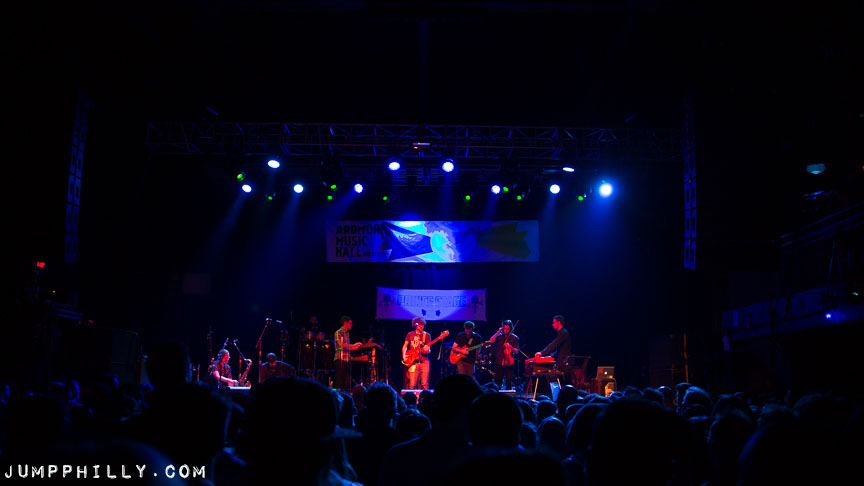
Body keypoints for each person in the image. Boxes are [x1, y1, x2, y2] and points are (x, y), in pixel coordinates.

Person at [536, 315, 573, 383]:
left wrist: (541, 353)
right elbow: (559, 349)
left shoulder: (564, 333)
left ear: (558, 322)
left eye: (554, 322)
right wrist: (550, 356)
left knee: (566, 383)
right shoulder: (561, 333)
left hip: (564, 363)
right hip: (561, 362)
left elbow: (553, 344)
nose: (552, 324)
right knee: (561, 383)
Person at [402, 316, 431, 389]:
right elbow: (405, 346)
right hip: (413, 362)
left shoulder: (427, 335)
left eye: (423, 325)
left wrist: (427, 350)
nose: (422, 326)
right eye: (420, 324)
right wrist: (404, 355)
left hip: (424, 361)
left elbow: (429, 350)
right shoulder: (410, 334)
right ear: (416, 324)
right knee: (412, 385)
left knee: (425, 384)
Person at [489, 320, 520, 390]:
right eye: (504, 328)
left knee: (509, 381)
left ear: (511, 329)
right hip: (500, 360)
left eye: (508, 329)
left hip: (509, 361)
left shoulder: (514, 338)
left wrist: (510, 347)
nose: (506, 330)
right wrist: (498, 332)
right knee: (498, 380)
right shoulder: (500, 336)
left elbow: (517, 351)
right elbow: (491, 341)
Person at [334, 316, 362, 390]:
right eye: (350, 323)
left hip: (347, 360)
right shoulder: (339, 332)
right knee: (340, 382)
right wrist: (354, 345)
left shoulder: (347, 334)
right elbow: (341, 345)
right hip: (340, 359)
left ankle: (346, 395)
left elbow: (348, 348)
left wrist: (358, 347)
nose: (351, 325)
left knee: (347, 383)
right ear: (345, 323)